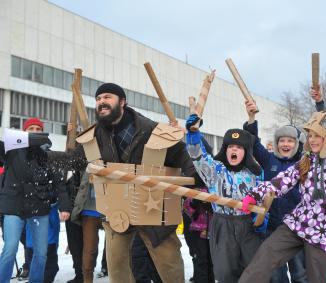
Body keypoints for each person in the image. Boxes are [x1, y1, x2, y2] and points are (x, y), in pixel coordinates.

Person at [50, 82, 195, 283]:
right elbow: (73, 160)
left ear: (123, 102)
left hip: (153, 210)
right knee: (117, 271)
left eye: (107, 97)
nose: (101, 102)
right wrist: (40, 155)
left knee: (170, 269)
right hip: (117, 213)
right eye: (98, 99)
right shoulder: (95, 136)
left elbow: (182, 157)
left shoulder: (150, 130)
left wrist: (194, 187)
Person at [238, 111, 326, 283]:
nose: (312, 140)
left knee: (319, 278)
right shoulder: (305, 162)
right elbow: (281, 181)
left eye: (317, 136)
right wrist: (256, 194)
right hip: (298, 224)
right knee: (265, 254)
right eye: (310, 135)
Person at [186, 113, 263, 283]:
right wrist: (193, 135)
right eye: (230, 146)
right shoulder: (215, 171)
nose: (234, 150)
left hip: (248, 225)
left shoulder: (254, 173)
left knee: (253, 272)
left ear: (246, 152)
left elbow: (264, 196)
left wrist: (261, 216)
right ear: (225, 149)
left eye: (239, 147)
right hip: (222, 225)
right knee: (224, 272)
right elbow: (198, 157)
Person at [243, 100, 308, 283]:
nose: (285, 144)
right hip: (272, 226)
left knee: (300, 274)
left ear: (297, 144)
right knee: (276, 275)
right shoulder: (268, 159)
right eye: (282, 140)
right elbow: (253, 142)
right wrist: (251, 117)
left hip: (297, 228)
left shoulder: (304, 164)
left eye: (290, 140)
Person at [0, 118, 71, 283]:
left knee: (41, 253)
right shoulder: (11, 150)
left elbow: (60, 184)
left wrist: (65, 207)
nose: (35, 131)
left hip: (40, 208)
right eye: (31, 128)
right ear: (24, 132)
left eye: (38, 129)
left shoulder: (48, 156)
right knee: (10, 250)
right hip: (14, 207)